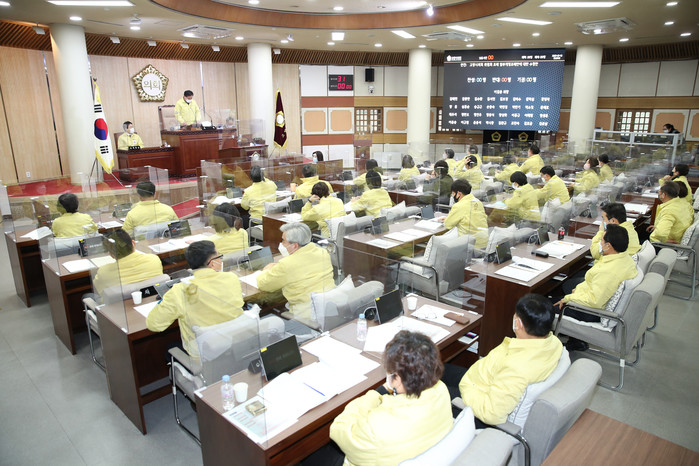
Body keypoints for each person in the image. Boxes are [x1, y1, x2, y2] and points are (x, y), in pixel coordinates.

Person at [327, 331, 453, 465]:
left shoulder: (377, 426)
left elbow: (338, 428)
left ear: (397, 379)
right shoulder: (441, 390)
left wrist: (375, 394)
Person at [442, 294, 563, 427]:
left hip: (475, 401)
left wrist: (467, 389)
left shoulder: (517, 369)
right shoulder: (553, 342)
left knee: (426, 385)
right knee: (437, 368)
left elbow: (491, 414)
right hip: (483, 379)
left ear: (518, 323)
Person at [146, 240, 243, 360]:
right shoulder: (232, 278)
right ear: (212, 263)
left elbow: (154, 324)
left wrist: (165, 300)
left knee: (170, 347)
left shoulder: (180, 290)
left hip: (204, 357)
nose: (221, 260)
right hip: (235, 347)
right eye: (219, 257)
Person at [256, 223, 335, 321]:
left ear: (295, 246)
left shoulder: (286, 264)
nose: (281, 244)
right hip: (331, 307)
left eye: (284, 241)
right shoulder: (322, 252)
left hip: (307, 316)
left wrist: (266, 270)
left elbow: (263, 284)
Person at [555, 224, 637, 315]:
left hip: (588, 311)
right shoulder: (625, 258)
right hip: (589, 297)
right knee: (566, 286)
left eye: (601, 240)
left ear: (608, 246)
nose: (600, 243)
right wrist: (578, 291)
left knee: (548, 306)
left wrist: (569, 298)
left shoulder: (608, 272)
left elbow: (594, 301)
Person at [92, 229, 164, 295]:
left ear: (111, 254)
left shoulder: (103, 272)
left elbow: (101, 293)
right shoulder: (154, 259)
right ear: (133, 243)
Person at [440, 179, 488, 248]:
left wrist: (448, 219)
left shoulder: (458, 206)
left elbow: (448, 225)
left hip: (471, 247)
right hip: (484, 243)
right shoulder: (478, 202)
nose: (453, 196)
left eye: (453, 193)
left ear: (459, 194)